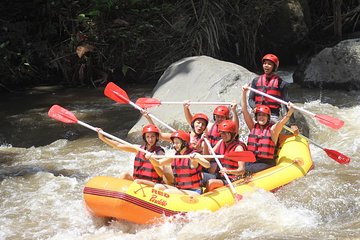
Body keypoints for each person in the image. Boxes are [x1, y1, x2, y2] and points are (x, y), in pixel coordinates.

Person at [242, 84, 295, 173]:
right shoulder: (253, 127)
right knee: (239, 166)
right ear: (256, 117)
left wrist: (290, 111)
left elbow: (282, 122)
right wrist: (244, 93)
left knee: (245, 170)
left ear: (268, 118)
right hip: (252, 160)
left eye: (264, 115)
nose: (261, 117)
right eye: (259, 115)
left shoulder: (273, 129)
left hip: (266, 163)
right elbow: (244, 110)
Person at [97, 124, 170, 185]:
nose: (150, 139)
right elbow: (118, 145)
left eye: (153, 136)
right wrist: (102, 138)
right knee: (124, 175)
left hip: (153, 183)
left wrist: (152, 160)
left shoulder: (159, 152)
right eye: (148, 137)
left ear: (157, 137)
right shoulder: (139, 149)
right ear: (144, 137)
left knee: (138, 181)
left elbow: (161, 174)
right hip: (138, 181)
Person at [248, 53, 298, 134]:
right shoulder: (256, 81)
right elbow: (250, 99)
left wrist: (293, 123)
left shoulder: (281, 83)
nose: (266, 66)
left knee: (271, 136)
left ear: (274, 67)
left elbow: (287, 104)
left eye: (269, 64)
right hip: (259, 114)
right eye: (264, 63)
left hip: (273, 115)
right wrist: (254, 107)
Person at [149, 130, 210, 196]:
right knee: (158, 187)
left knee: (167, 191)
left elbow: (207, 165)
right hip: (181, 190)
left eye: (177, 143)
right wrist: (150, 158)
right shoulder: (175, 156)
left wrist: (198, 159)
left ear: (184, 143)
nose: (175, 145)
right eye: (174, 143)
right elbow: (158, 163)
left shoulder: (194, 155)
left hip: (194, 192)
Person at [204, 120, 247, 192]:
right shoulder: (221, 142)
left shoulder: (238, 148)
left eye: (227, 133)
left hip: (232, 179)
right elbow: (208, 157)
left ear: (233, 134)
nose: (224, 135)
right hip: (219, 176)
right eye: (222, 133)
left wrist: (228, 171)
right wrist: (205, 143)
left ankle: (203, 199)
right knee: (201, 176)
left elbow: (242, 170)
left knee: (211, 182)